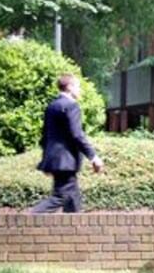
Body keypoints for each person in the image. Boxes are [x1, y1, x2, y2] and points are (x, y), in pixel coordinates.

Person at [30, 73, 104, 213]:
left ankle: (76, 232)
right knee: (61, 196)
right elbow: (77, 135)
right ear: (69, 87)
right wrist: (94, 157)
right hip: (66, 161)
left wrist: (46, 161)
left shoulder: (52, 106)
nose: (80, 90)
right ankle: (24, 220)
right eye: (78, 86)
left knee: (72, 202)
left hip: (57, 161)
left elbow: (45, 136)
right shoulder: (71, 106)